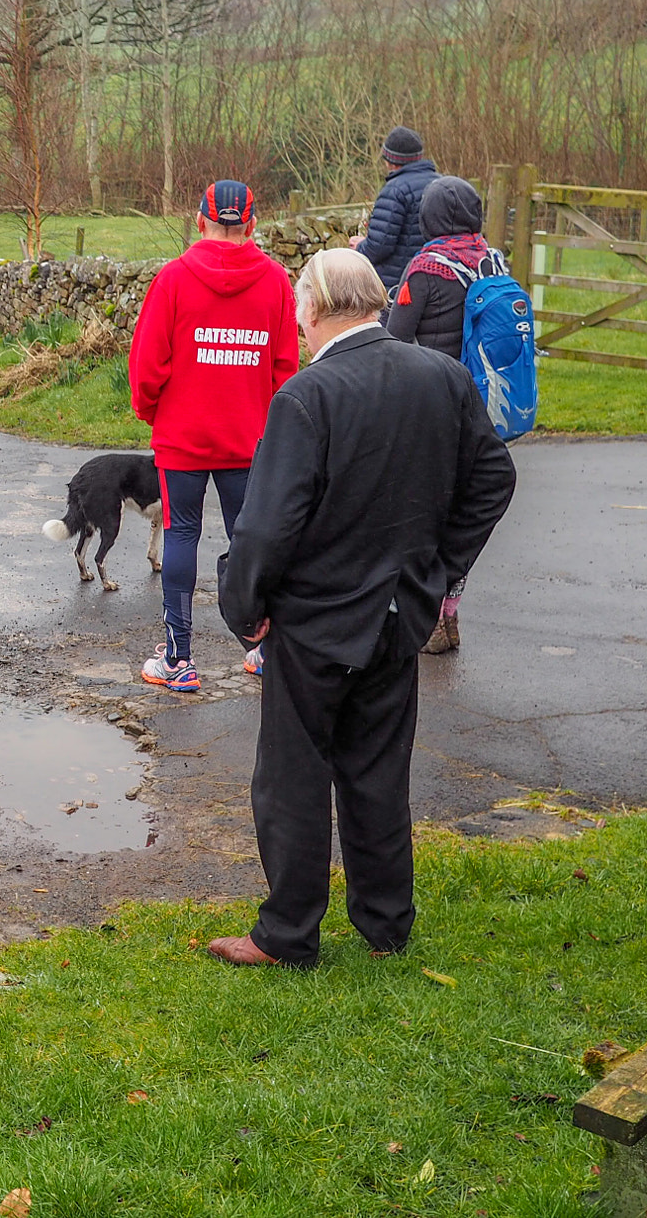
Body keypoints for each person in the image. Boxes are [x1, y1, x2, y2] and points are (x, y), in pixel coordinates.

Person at [211, 249, 516, 970]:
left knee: (292, 776)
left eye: (298, 316)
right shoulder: (441, 377)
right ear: (375, 303)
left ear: (311, 312)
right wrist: (439, 574)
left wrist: (244, 608)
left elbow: (266, 526)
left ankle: (287, 934)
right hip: (399, 614)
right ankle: (385, 928)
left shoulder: (306, 396)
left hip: (313, 620)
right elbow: (493, 479)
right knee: (378, 772)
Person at [126, 180, 298, 692]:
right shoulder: (275, 282)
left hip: (182, 437)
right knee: (251, 538)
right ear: (251, 222)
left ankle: (178, 659)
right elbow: (285, 369)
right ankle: (262, 646)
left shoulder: (173, 279)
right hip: (249, 438)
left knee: (182, 534)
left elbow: (147, 367)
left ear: (198, 220)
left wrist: (154, 411)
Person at [388, 176, 506, 654]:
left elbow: (394, 339)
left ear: (429, 219)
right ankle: (449, 613)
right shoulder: (492, 258)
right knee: (462, 516)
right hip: (484, 408)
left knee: (428, 517)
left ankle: (429, 618)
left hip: (435, 411)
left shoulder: (425, 269)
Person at [352, 126, 441, 291]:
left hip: (399, 285)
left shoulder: (394, 190)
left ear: (389, 160)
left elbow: (378, 247)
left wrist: (359, 247)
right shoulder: (442, 183)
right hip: (438, 280)